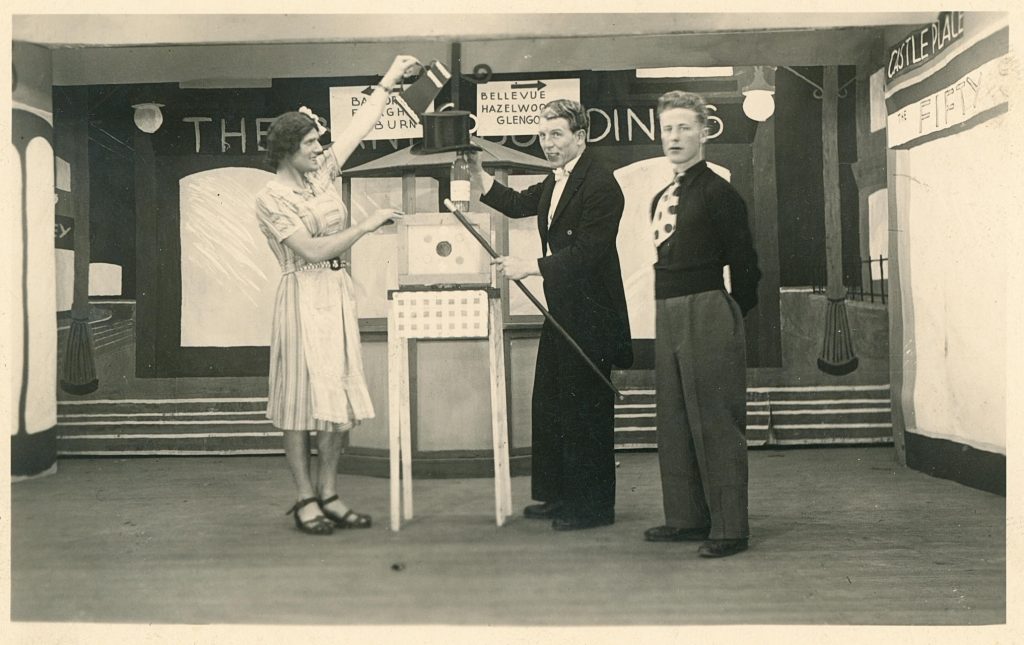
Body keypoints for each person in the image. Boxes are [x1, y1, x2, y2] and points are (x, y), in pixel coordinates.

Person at [255, 54, 420, 535]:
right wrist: (367, 224)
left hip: (335, 293)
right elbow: (308, 250)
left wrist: (390, 81)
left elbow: (357, 129)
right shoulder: (269, 198)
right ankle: (304, 497)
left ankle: (328, 491)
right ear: (288, 150)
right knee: (300, 402)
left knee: (336, 399)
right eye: (310, 143)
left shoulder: (319, 175)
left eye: (317, 141)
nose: (319, 148)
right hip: (301, 297)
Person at [467, 99, 632, 531]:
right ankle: (560, 496)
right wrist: (478, 177)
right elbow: (521, 203)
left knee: (585, 411)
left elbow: (589, 252)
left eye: (556, 134)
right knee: (554, 405)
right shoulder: (557, 178)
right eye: (543, 135)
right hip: (563, 309)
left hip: (593, 315)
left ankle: (593, 507)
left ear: (581, 136)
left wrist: (530, 266)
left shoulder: (600, 184)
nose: (548, 143)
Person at [642, 91, 761, 557]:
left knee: (715, 418)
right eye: (667, 128)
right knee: (672, 418)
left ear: (704, 132)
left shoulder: (719, 193)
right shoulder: (660, 195)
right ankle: (687, 518)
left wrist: (727, 315)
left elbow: (746, 265)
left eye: (684, 128)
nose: (673, 137)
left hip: (707, 310)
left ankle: (730, 528)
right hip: (666, 309)